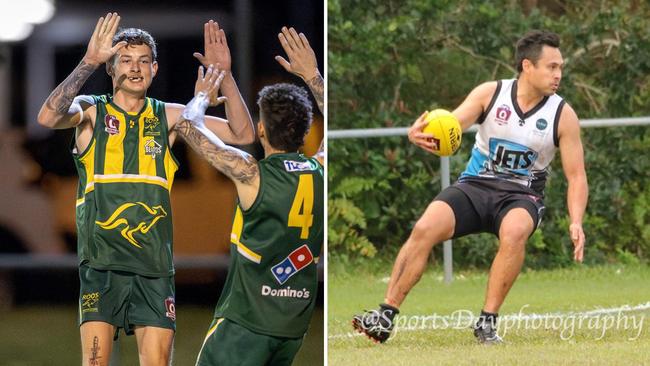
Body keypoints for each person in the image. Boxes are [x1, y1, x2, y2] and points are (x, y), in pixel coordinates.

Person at [36, 13, 255, 365]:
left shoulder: (169, 116)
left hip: (153, 271)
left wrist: (225, 78)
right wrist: (88, 62)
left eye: (143, 61)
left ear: (154, 68)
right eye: (125, 60)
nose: (135, 69)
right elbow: (47, 117)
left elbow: (242, 135)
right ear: (111, 69)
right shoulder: (92, 112)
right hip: (101, 268)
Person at [353, 30, 588, 344]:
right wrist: (423, 134)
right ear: (527, 66)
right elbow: (451, 125)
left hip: (521, 196)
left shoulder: (562, 114)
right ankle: (385, 315)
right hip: (475, 186)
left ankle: (487, 323)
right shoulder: (490, 93)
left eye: (560, 67)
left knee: (515, 231)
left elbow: (577, 176)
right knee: (424, 227)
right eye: (552, 67)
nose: (559, 74)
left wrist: (576, 222)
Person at [173, 27, 324, 366]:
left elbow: (186, 126)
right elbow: (337, 121)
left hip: (245, 324)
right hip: (292, 327)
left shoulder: (250, 173)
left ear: (260, 130)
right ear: (304, 132)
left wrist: (205, 90)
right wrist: (312, 74)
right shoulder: (322, 170)